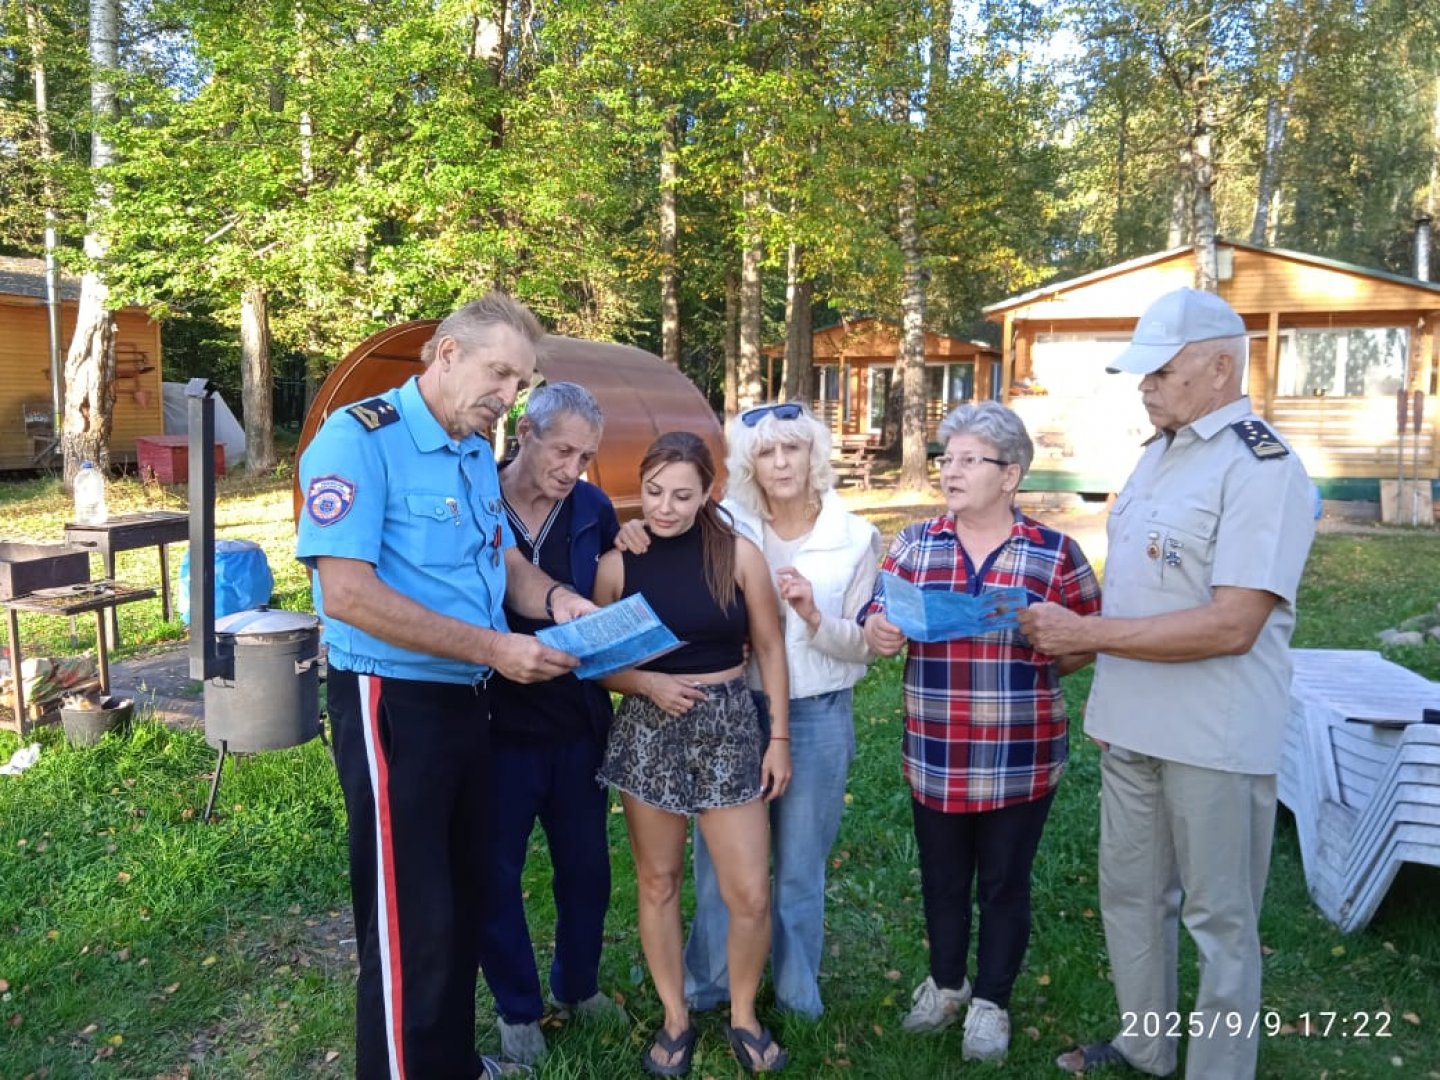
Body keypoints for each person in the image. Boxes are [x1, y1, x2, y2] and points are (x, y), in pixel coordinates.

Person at [1017, 287, 1316, 1079]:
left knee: (1221, 921)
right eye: (1142, 374)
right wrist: (1084, 647)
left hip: (1212, 734)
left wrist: (1087, 635)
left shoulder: (1261, 468)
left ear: (1220, 369)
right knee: (1132, 897)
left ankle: (1220, 1068)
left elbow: (1233, 624)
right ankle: (1147, 1045)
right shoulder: (1160, 451)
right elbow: (1147, 589)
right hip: (1134, 721)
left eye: (1161, 372)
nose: (1145, 388)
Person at [296, 294, 594, 1080]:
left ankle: (451, 1063)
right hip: (392, 703)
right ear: (448, 354)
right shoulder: (359, 440)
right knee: (410, 917)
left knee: (462, 898)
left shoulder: (471, 449)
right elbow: (346, 595)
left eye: (521, 381)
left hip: (468, 702)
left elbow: (503, 562)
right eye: (500, 373)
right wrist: (495, 647)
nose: (509, 395)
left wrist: (560, 602)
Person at [859, 401, 1101, 1064]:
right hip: (936, 752)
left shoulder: (1054, 554)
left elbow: (1087, 636)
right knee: (941, 878)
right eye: (948, 459)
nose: (951, 471)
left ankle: (992, 1002)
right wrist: (878, 629)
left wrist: (1051, 648)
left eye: (970, 460)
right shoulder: (917, 543)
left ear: (1010, 474)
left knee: (1003, 882)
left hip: (1021, 756)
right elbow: (878, 611)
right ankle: (946, 985)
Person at [594, 431, 793, 1076]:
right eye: (654, 492)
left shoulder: (738, 556)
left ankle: (743, 1014)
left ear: (709, 491)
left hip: (729, 727)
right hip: (648, 729)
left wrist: (779, 739)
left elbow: (770, 648)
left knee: (750, 893)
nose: (665, 507)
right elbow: (595, 663)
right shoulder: (617, 565)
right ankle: (675, 1017)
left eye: (682, 495)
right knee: (658, 882)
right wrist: (645, 683)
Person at [681, 402, 882, 1020]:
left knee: (799, 866)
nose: (780, 463)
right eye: (765, 452)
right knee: (720, 864)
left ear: (813, 454)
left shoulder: (855, 537)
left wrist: (815, 617)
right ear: (750, 464)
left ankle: (797, 995)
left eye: (792, 448)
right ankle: (709, 986)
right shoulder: (723, 525)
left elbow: (866, 645)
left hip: (817, 712)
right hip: (732, 710)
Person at [479, 382, 626, 1065]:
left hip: (576, 721)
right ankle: (517, 1009)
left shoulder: (593, 509)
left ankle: (578, 985)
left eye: (585, 456)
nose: (573, 469)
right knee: (495, 873)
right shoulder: (476, 494)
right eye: (563, 450)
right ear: (525, 433)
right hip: (494, 725)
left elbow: (615, 587)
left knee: (586, 869)